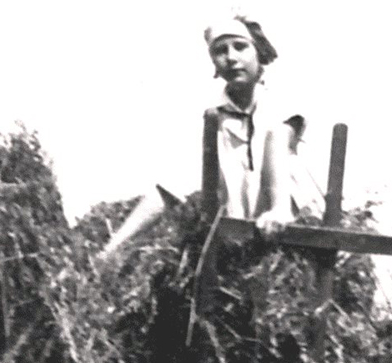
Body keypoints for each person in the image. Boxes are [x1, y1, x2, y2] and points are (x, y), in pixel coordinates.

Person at [101, 15, 313, 259]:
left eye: (240, 46)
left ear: (259, 51)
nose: (231, 58)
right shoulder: (213, 120)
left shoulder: (283, 94)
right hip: (247, 247)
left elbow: (278, 136)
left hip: (299, 235)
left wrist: (278, 209)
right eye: (220, 51)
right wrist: (110, 250)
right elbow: (167, 191)